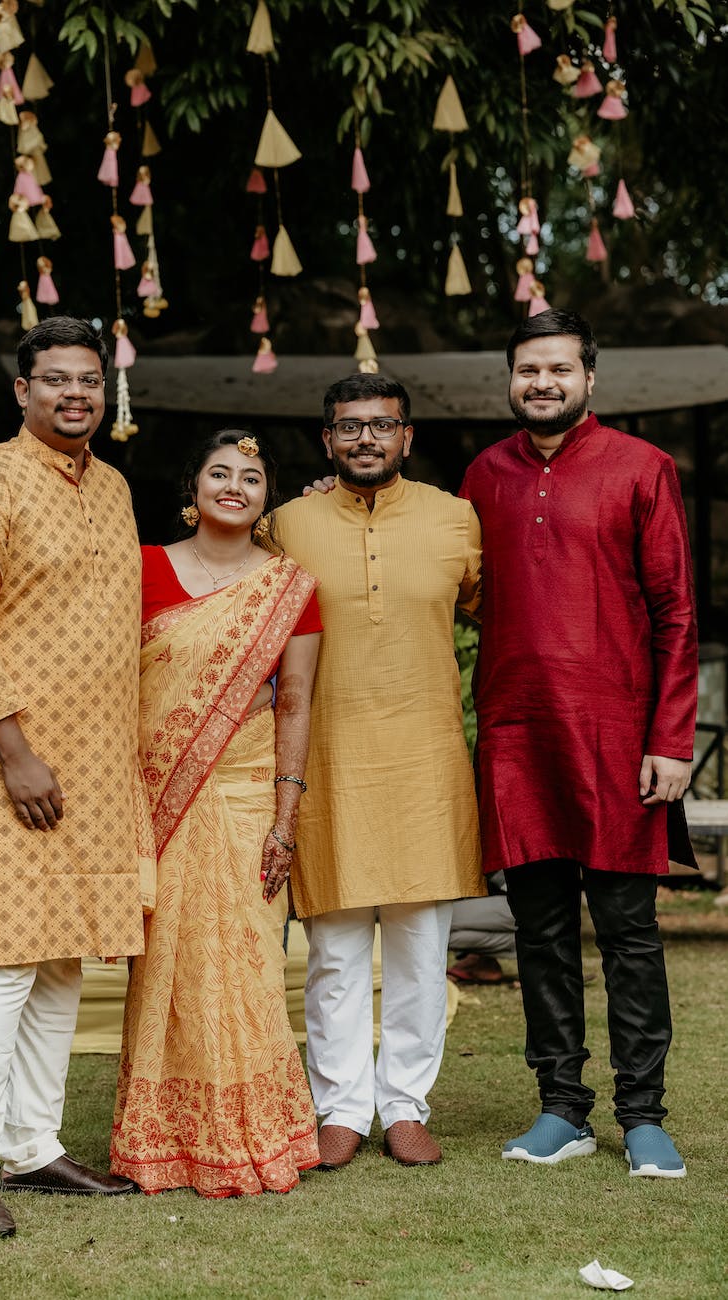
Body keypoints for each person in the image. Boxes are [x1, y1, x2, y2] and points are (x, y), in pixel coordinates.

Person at [460, 308, 697, 1178]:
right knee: (541, 931)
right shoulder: (483, 476)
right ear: (510, 380)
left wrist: (670, 739)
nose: (542, 383)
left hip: (618, 736)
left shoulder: (642, 467)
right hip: (519, 736)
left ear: (588, 378)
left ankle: (643, 1116)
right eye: (528, 370)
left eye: (558, 369)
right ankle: (561, 1107)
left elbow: (675, 612)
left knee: (629, 933)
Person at [0, 316, 150, 1238]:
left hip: (97, 757)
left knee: (62, 961)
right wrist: (15, 752)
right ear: (20, 391)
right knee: (4, 959)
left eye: (88, 380)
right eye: (55, 379)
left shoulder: (115, 488)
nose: (75, 395)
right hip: (6, 756)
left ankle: (30, 1144)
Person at [274, 374, 484, 1171]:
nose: (366, 439)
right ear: (325, 441)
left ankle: (404, 1106)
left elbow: (490, 608)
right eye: (349, 427)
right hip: (322, 760)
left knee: (419, 949)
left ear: (407, 436)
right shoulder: (284, 524)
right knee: (331, 949)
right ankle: (340, 1107)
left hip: (425, 757)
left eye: (382, 425)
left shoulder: (455, 518)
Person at [110, 430, 322, 1197]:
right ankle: (163, 1139)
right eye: (219, 473)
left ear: (268, 499)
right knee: (165, 965)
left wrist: (285, 816)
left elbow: (295, 700)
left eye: (252, 478)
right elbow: (112, 689)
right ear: (192, 486)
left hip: (244, 792)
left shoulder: (289, 587)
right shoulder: (142, 567)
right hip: (155, 791)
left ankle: (259, 1134)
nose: (234, 486)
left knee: (247, 962)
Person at [447, 872, 516, 984]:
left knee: (436, 922)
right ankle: (482, 960)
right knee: (440, 927)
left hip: (528, 897)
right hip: (508, 899)